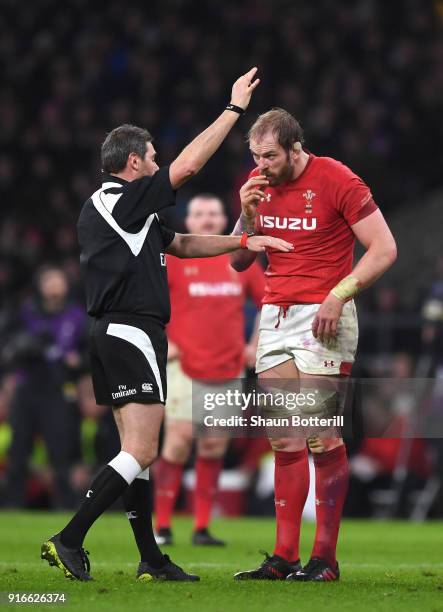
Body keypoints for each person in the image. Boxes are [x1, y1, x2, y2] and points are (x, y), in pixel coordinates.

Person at [40, 68, 294, 583]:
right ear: (134, 162)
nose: (157, 165)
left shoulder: (129, 213)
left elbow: (181, 245)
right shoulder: (119, 200)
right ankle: (69, 538)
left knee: (142, 455)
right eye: (152, 158)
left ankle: (151, 559)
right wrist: (234, 110)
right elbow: (190, 166)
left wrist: (243, 242)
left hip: (118, 332)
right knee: (143, 449)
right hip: (130, 330)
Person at [230, 108, 397, 581]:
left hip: (325, 318)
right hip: (275, 317)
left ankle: (325, 559)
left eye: (270, 156)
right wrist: (246, 215)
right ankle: (284, 557)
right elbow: (239, 262)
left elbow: (385, 248)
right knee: (283, 437)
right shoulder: (257, 184)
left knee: (322, 434)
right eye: (255, 156)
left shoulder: (338, 179)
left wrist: (339, 295)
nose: (261, 165)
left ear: (295, 148)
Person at [154, 193, 265, 546]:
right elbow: (149, 304)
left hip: (229, 366)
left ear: (223, 220)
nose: (206, 219)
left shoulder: (238, 260)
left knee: (214, 447)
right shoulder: (174, 259)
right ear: (188, 222)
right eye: (199, 213)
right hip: (185, 365)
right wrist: (163, 343)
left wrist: (254, 344)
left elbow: (269, 301)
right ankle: (163, 526)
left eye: (213, 213)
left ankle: (201, 526)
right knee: (178, 444)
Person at [2, 265, 86, 509]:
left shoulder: (77, 315)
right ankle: (12, 506)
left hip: (59, 389)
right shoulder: (26, 312)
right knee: (18, 451)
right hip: (27, 387)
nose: (54, 285)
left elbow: (88, 352)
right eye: (49, 280)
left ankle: (65, 507)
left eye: (58, 280)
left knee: (60, 452)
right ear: (40, 285)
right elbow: (8, 344)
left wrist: (78, 360)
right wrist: (22, 349)